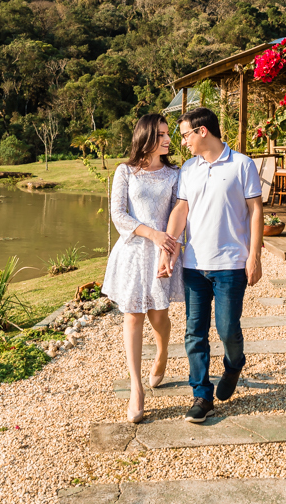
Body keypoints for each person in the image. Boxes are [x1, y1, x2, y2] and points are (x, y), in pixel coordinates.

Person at [166, 107, 263, 424]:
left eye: (185, 135)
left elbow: (255, 211)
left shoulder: (242, 165)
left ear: (202, 131)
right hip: (193, 265)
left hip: (231, 264)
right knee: (194, 333)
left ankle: (235, 364)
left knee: (227, 329)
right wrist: (169, 247)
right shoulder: (189, 169)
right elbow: (182, 209)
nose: (183, 143)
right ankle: (201, 395)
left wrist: (254, 255)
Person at [101, 113, 184, 424]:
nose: (167, 140)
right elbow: (118, 215)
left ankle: (162, 352)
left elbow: (180, 213)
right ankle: (136, 388)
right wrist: (152, 234)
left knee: (159, 315)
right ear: (146, 136)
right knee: (133, 315)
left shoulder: (175, 174)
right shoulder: (125, 172)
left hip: (163, 253)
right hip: (134, 252)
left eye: (168, 134)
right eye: (161, 134)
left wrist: (170, 245)